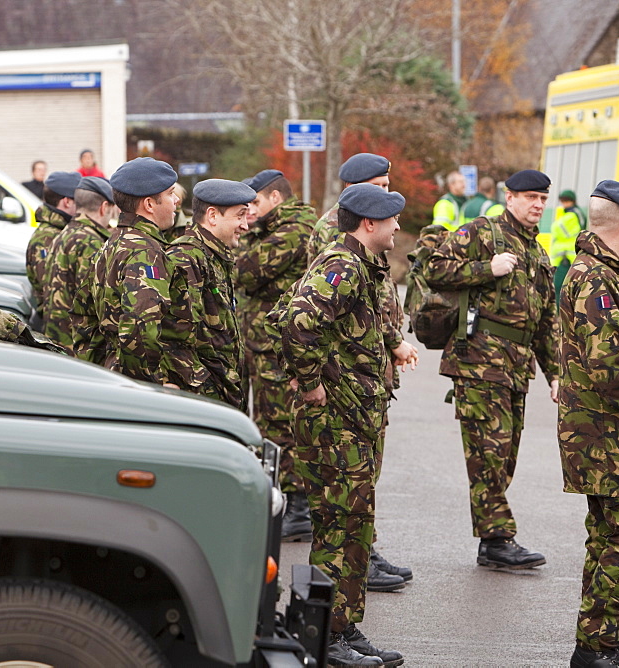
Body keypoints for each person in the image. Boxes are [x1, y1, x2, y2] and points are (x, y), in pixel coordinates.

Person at [276, 183, 408, 667]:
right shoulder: (340, 265)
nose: (398, 227)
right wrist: (310, 383)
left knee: (352, 526)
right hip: (335, 423)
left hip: (354, 418)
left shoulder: (362, 266)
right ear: (369, 224)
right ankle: (326, 638)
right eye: (391, 219)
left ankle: (344, 626)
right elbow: (298, 322)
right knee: (337, 526)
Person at [424, 168, 559, 569]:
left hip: (516, 368)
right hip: (478, 363)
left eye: (542, 199)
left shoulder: (537, 251)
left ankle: (492, 539)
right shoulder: (482, 233)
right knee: (488, 452)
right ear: (510, 197)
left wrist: (556, 373)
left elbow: (546, 322)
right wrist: (487, 269)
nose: (537, 205)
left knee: (505, 455)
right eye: (530, 197)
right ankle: (498, 538)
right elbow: (434, 267)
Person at [305, 152, 415, 592]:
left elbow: (377, 297)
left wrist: (392, 342)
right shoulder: (337, 236)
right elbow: (315, 315)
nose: (387, 192)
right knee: (349, 482)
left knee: (364, 474)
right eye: (381, 184)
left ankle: (362, 551)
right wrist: (312, 379)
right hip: (347, 378)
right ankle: (355, 560)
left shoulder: (371, 231)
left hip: (369, 369)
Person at [234, 169, 317, 542]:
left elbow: (246, 271)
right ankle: (285, 500)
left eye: (254, 203)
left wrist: (237, 241)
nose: (248, 211)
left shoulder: (297, 228)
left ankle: (298, 507)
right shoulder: (267, 229)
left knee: (281, 424)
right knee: (266, 423)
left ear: (276, 199)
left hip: (278, 348)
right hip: (258, 343)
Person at [559, 180, 619, 668]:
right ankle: (599, 647)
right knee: (615, 541)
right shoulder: (598, 280)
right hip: (605, 435)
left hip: (602, 433)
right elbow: (609, 366)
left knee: (607, 539)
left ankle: (599, 641)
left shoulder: (603, 272)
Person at [84, 157, 179, 381]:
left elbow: (83, 317)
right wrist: (152, 383)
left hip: (112, 372)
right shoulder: (144, 252)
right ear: (149, 204)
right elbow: (140, 327)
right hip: (136, 383)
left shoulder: (111, 242)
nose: (176, 201)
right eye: (170, 194)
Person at [165, 179, 255, 409]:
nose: (245, 226)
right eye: (240, 215)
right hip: (203, 401)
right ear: (212, 216)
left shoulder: (213, 256)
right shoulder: (186, 258)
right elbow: (176, 340)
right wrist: (204, 394)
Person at [44, 176, 116, 351]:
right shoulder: (91, 242)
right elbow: (93, 303)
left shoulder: (64, 233)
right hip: (77, 346)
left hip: (56, 337)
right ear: (104, 207)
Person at [25, 171, 81, 326]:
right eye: (79, 201)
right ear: (67, 202)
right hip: (56, 325)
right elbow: (51, 287)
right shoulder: (47, 238)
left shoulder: (60, 231)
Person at [552, 189, 588, 296]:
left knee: (559, 288)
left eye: (566, 201)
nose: (564, 204)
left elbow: (557, 229)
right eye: (562, 201)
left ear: (572, 201)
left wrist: (559, 215)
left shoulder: (572, 215)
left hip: (566, 259)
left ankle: (559, 312)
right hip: (566, 258)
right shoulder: (574, 213)